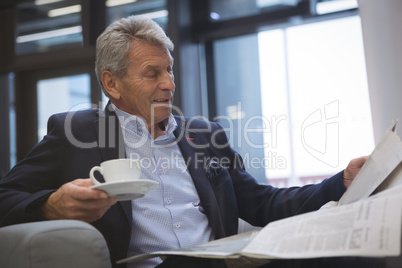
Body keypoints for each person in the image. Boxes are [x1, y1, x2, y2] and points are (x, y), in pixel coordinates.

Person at [0, 16, 367, 268]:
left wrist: (341, 181)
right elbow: (5, 198)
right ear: (112, 84)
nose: (169, 84)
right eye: (152, 73)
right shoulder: (77, 132)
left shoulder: (204, 135)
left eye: (169, 69)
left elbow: (261, 203)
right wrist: (51, 205)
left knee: (349, 256)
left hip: (222, 262)